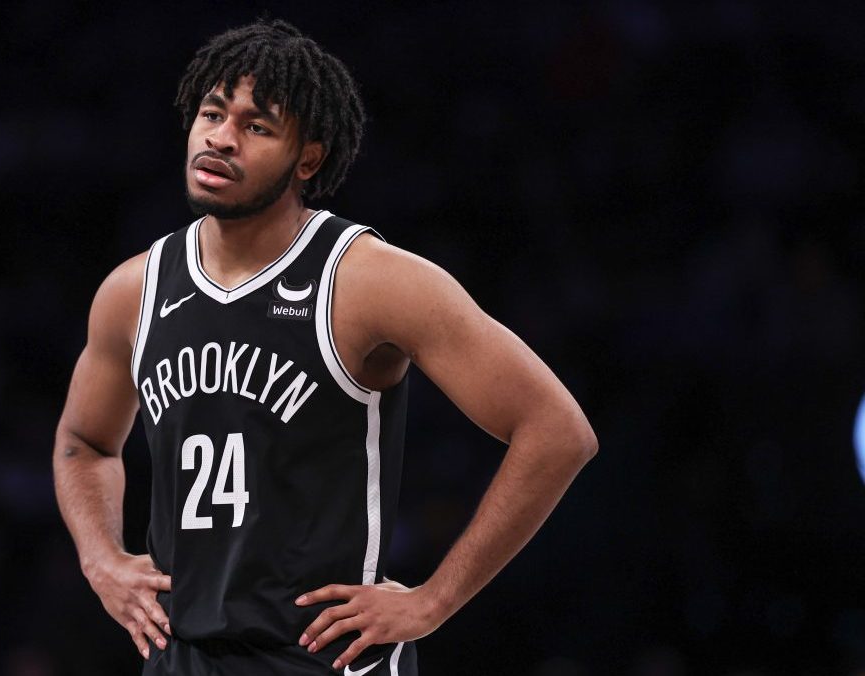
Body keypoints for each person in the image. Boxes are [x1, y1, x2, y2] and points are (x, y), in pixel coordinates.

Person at [53, 19, 598, 676]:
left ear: (306, 159)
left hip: (323, 659)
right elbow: (84, 443)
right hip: (182, 656)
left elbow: (557, 431)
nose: (221, 137)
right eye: (212, 113)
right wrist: (100, 557)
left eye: (257, 127)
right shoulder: (133, 290)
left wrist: (434, 601)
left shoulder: (370, 280)